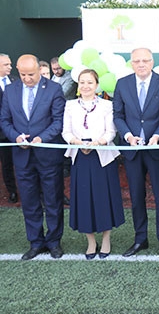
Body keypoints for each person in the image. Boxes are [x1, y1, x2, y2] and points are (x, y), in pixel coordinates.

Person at [0, 54, 65, 260]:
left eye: (31, 74)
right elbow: (4, 120)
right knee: (29, 201)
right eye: (23, 74)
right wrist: (16, 137)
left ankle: (54, 242)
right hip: (22, 156)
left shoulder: (54, 89)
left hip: (47, 154)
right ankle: (36, 242)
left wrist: (41, 138)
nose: (27, 78)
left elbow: (58, 121)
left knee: (53, 200)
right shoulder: (10, 90)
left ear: (39, 70)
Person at [113, 47, 159, 258]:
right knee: (136, 195)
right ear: (131, 63)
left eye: (145, 60)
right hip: (132, 150)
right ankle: (140, 239)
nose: (141, 64)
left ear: (152, 62)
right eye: (137, 61)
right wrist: (128, 136)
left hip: (156, 149)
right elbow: (118, 115)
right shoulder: (122, 84)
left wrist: (157, 136)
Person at [62, 69, 123, 259]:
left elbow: (111, 131)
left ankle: (106, 239)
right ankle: (90, 241)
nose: (86, 86)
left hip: (102, 158)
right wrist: (77, 143)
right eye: (82, 82)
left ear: (96, 85)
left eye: (90, 82)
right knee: (84, 200)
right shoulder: (70, 105)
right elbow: (66, 132)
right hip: (80, 157)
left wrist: (98, 143)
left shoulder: (107, 105)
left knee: (104, 198)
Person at [0, 53, 17, 203]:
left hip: (20, 130)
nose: (10, 67)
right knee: (6, 164)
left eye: (10, 64)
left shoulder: (15, 80)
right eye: (6, 64)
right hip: (2, 133)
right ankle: (12, 191)